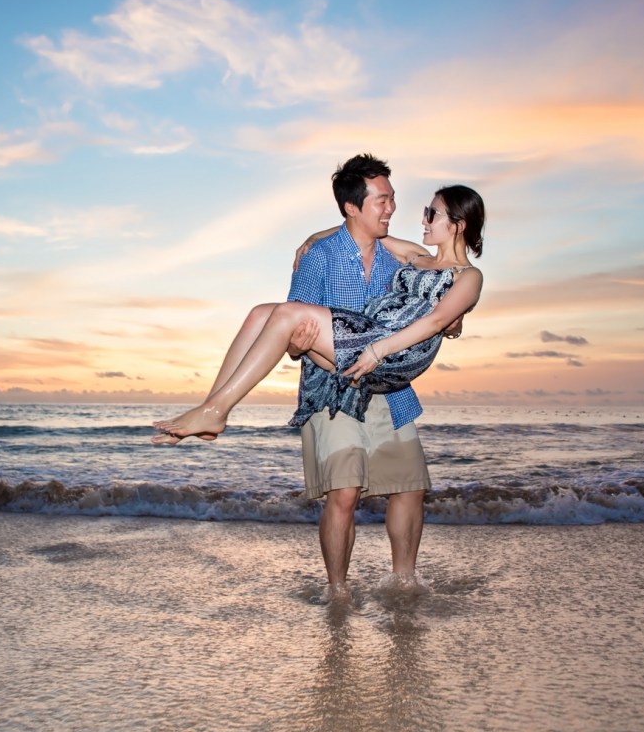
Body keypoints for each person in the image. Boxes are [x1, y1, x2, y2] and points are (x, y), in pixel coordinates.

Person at [152, 155, 485, 597]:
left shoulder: (404, 254)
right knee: (343, 492)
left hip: (389, 377)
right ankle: (337, 589)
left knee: (409, 487)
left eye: (401, 203)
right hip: (334, 384)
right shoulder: (322, 256)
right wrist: (299, 337)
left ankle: (405, 580)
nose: (394, 210)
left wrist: (444, 322)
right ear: (352, 207)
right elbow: (289, 339)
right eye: (382, 201)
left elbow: (443, 305)